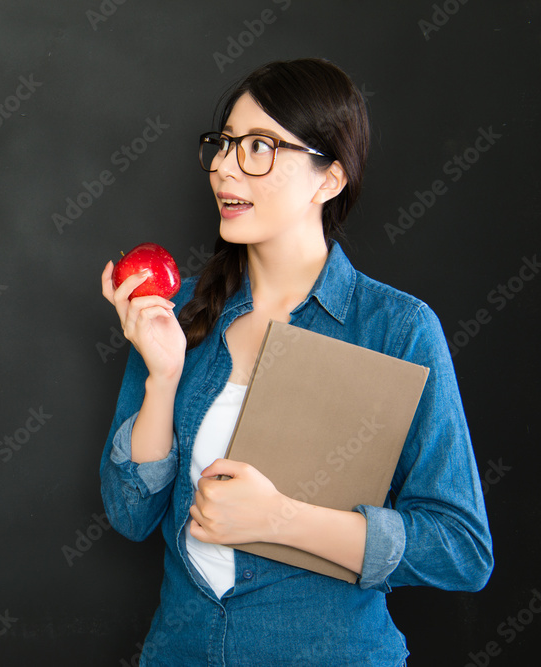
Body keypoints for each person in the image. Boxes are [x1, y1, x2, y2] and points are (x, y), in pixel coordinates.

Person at [98, 58, 493, 666]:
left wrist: (280, 519)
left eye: (259, 147)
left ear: (329, 177)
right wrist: (163, 376)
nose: (226, 167)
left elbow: (460, 550)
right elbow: (130, 514)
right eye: (225, 144)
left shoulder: (396, 328)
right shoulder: (173, 310)